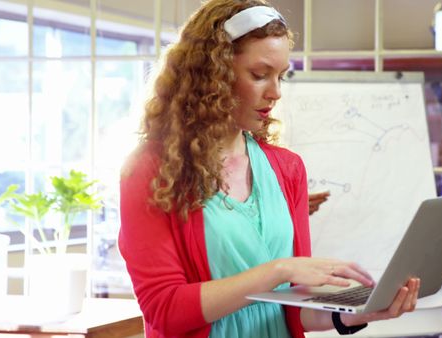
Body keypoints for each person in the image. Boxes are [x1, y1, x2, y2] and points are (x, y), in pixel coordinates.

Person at [118, 1, 419, 337]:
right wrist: (277, 270)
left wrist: (356, 313)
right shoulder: (151, 170)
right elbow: (164, 309)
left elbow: (292, 312)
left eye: (281, 76)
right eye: (259, 75)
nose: (275, 92)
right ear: (212, 74)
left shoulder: (287, 169)